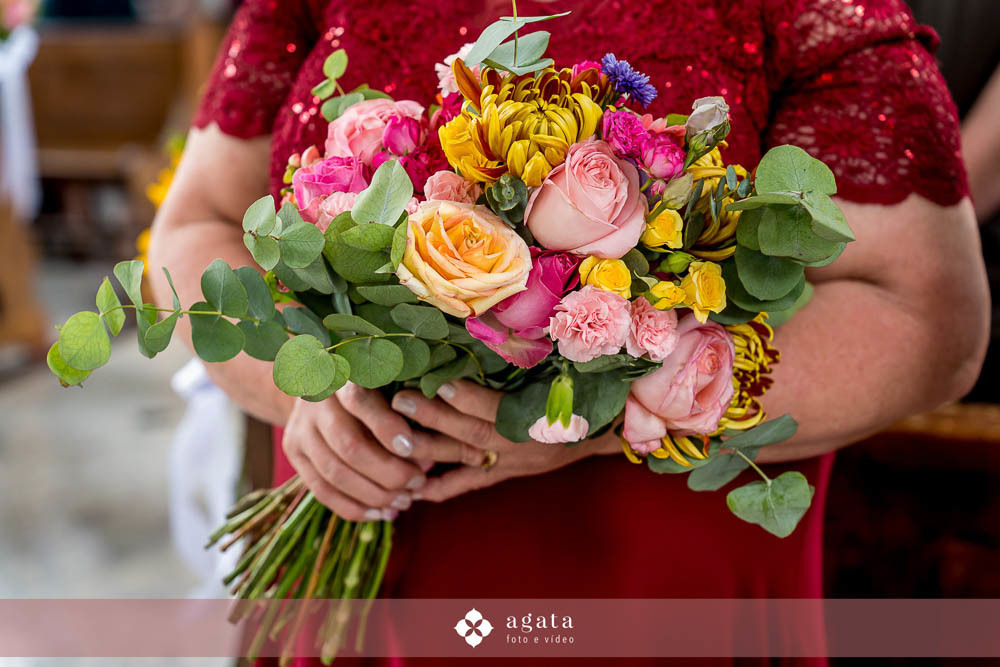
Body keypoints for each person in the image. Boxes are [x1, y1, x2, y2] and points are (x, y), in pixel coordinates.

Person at [148, 0, 989, 664]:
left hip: (646, 595)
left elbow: (927, 316)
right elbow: (196, 229)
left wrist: (604, 401)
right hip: (360, 569)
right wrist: (317, 381)